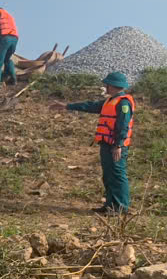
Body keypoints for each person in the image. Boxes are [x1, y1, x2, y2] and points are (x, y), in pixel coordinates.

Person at [48, 71, 134, 214]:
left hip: (116, 146)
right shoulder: (109, 101)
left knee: (117, 175)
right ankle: (110, 205)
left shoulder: (123, 103)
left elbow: (123, 126)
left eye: (107, 84)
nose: (105, 87)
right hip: (106, 144)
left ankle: (120, 207)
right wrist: (67, 106)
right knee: (108, 175)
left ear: (113, 85)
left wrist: (118, 145)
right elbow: (90, 106)